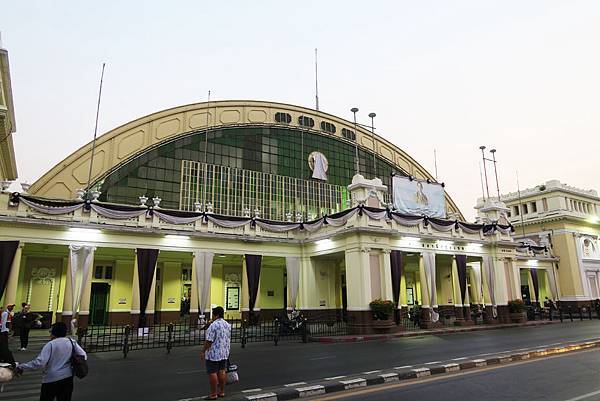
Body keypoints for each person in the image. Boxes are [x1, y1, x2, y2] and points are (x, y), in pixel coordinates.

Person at [17, 322, 87, 401]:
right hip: (68, 377)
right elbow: (83, 355)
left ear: (54, 332)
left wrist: (22, 366)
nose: (49, 333)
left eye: (50, 331)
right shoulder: (72, 342)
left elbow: (40, 363)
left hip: (51, 379)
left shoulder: (50, 345)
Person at [200, 306, 231, 400]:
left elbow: (209, 341)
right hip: (224, 352)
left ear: (216, 315)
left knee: (212, 372)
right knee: (222, 371)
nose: (212, 316)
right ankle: (221, 392)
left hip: (213, 353)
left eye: (213, 314)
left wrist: (203, 351)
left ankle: (213, 394)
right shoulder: (227, 324)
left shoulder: (214, 325)